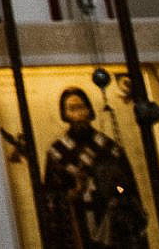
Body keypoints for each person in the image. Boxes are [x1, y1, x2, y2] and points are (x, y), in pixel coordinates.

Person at [36, 87, 148, 249]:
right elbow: (52, 198)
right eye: (72, 109)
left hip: (110, 222)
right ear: (64, 114)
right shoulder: (58, 153)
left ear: (89, 109)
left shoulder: (109, 149)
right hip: (78, 225)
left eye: (81, 107)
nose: (78, 114)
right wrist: (74, 192)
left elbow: (126, 188)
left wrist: (116, 192)